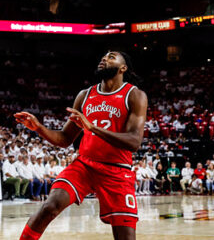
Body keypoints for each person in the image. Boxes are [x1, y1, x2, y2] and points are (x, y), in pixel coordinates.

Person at [14, 51, 148, 240]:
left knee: (125, 236)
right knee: (49, 206)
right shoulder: (85, 95)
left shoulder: (135, 95)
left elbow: (134, 142)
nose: (104, 59)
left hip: (117, 170)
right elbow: (65, 138)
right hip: (85, 165)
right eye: (103, 56)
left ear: (123, 68)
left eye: (111, 57)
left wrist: (92, 127)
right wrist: (39, 128)